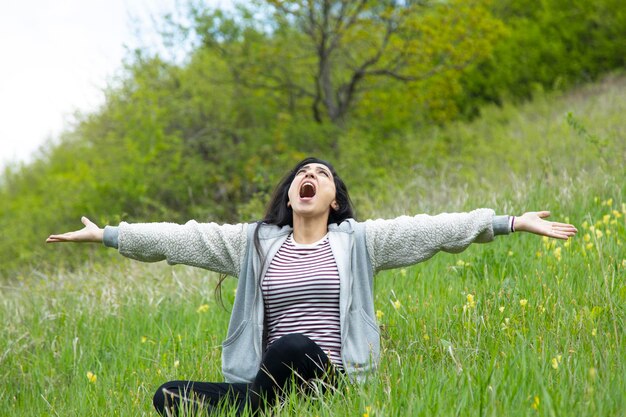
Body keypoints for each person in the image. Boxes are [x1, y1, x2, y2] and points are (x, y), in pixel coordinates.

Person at [47, 157, 577, 416]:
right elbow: (185, 240)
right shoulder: (255, 244)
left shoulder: (360, 243)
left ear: (334, 199)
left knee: (295, 347)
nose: (310, 176)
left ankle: (250, 406)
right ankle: (258, 405)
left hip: (330, 381)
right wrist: (110, 235)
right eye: (303, 172)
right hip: (269, 383)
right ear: (292, 193)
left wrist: (508, 221)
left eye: (321, 174)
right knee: (167, 397)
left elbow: (433, 228)